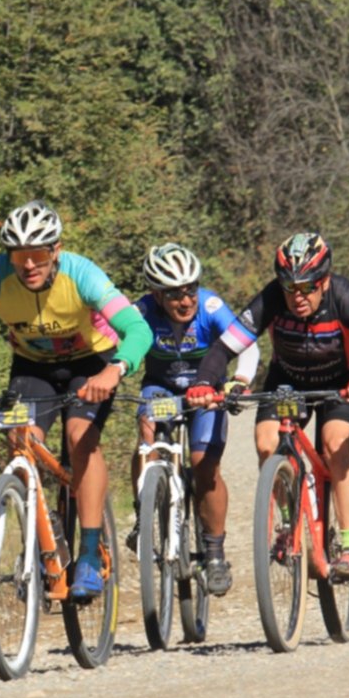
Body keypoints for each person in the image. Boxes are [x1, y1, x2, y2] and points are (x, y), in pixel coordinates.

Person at [0, 200, 153, 600]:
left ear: (56, 250)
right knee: (19, 440)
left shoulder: (82, 273)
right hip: (33, 368)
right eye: (19, 256)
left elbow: (137, 329)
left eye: (39, 254)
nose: (29, 265)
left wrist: (115, 369)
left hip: (90, 365)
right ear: (8, 256)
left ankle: (91, 553)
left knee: (81, 437)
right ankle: (46, 542)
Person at [185, 231, 349, 583]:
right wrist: (201, 383)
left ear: (325, 280)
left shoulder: (345, 297)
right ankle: (288, 524)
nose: (298, 296)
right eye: (290, 287)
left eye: (307, 286)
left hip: (343, 382)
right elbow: (224, 348)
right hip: (287, 382)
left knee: (335, 445)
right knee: (267, 444)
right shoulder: (272, 298)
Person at [124, 243, 261, 596]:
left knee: (204, 466)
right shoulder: (139, 311)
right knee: (147, 443)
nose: (185, 301)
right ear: (156, 294)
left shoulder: (212, 307)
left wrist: (239, 382)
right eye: (173, 294)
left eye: (191, 290)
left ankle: (214, 554)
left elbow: (248, 345)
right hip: (160, 388)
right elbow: (111, 343)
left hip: (207, 391)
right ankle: (144, 514)